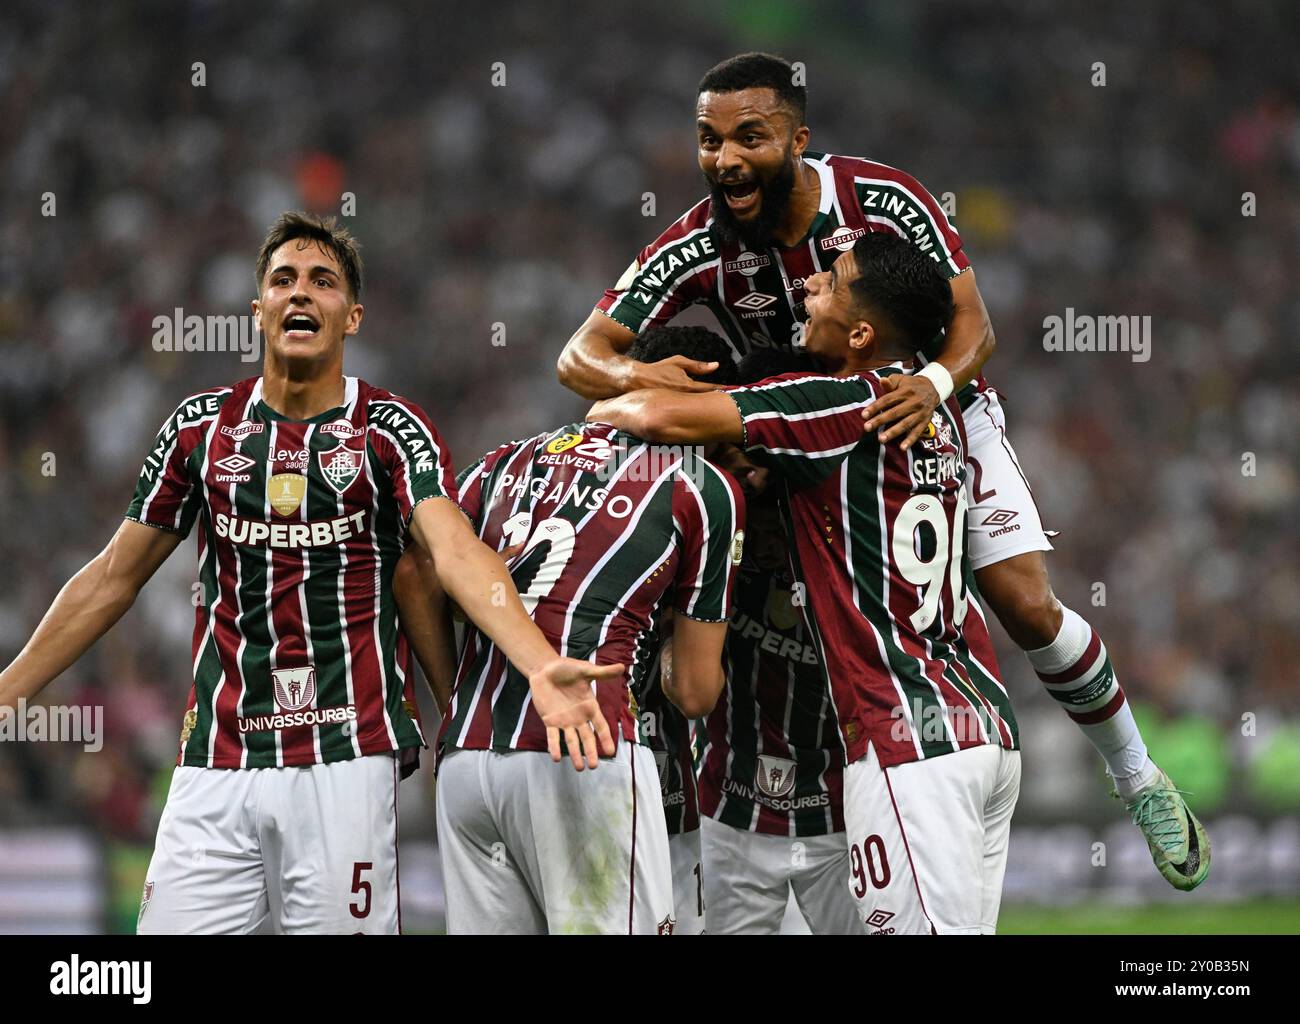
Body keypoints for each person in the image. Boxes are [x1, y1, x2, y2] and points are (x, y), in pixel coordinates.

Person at [560, 51, 1207, 890]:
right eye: (708, 140)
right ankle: (762, 820)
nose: (725, 159)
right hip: (809, 435)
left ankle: (1136, 776)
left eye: (748, 137)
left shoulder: (883, 199)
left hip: (932, 410)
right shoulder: (698, 239)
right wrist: (637, 378)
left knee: (1021, 601)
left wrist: (932, 384)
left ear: (799, 138)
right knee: (784, 605)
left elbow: (974, 326)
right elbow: (582, 356)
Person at [0, 212, 619, 935]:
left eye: (322, 282)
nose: (301, 294)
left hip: (346, 759)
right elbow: (112, 577)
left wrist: (539, 665)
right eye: (283, 280)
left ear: (351, 315)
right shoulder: (200, 429)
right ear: (257, 308)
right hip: (216, 763)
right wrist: (9, 690)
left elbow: (451, 552)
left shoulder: (390, 429)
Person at [591, 232, 1019, 933]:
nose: (807, 286)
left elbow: (658, 416)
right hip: (984, 723)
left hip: (906, 733)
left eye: (832, 280)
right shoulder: (933, 410)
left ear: (860, 332)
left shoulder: (842, 403)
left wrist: (610, 401)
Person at [432, 324, 745, 934]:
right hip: (584, 751)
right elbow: (694, 693)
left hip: (467, 757)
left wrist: (452, 692)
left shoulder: (501, 461)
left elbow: (416, 571)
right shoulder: (701, 487)